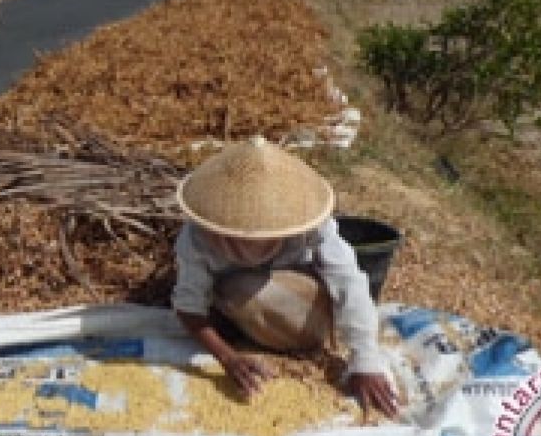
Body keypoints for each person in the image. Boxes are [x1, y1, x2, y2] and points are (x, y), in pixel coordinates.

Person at [170, 136, 399, 417]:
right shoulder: (197, 238)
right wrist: (227, 357)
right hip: (231, 300)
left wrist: (365, 360)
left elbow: (348, 282)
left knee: (244, 290)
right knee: (235, 291)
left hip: (299, 300)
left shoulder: (311, 227)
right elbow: (189, 307)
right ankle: (245, 327)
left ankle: (282, 333)